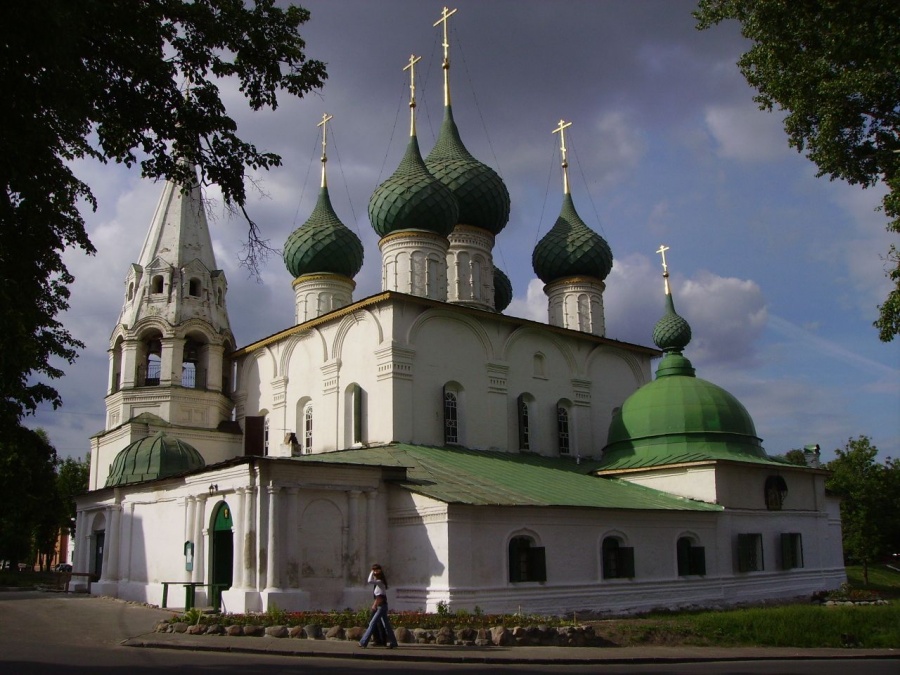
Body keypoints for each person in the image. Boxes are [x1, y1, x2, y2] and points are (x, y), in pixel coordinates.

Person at [358, 563, 398, 648]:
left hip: (381, 607)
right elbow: (379, 596)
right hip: (382, 606)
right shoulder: (379, 584)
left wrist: (372, 572)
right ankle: (393, 643)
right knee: (386, 625)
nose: (374, 575)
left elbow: (369, 581)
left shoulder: (380, 582)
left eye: (376, 572)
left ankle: (363, 642)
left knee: (372, 623)